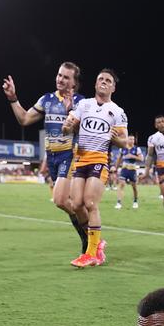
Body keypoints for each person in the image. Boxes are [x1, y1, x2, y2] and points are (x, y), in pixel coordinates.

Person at [2, 62, 89, 254]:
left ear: (74, 82)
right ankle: (91, 235)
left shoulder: (82, 103)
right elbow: (24, 119)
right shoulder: (47, 99)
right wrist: (12, 98)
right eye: (59, 75)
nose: (61, 79)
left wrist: (69, 111)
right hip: (52, 157)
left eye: (66, 77)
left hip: (70, 154)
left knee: (59, 200)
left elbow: (83, 131)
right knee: (72, 204)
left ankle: (88, 237)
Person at [62, 68, 128, 268]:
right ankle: (98, 244)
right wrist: (67, 125)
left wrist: (117, 139)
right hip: (81, 159)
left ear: (113, 87)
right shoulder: (84, 105)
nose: (104, 82)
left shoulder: (117, 112)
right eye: (101, 79)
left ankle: (91, 253)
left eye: (108, 80)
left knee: (90, 202)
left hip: (100, 159)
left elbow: (124, 142)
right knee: (75, 205)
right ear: (95, 84)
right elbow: (70, 125)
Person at [115, 135, 144, 209]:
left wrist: (133, 156)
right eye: (130, 139)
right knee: (121, 184)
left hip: (132, 170)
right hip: (124, 169)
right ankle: (119, 202)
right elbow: (119, 159)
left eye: (133, 139)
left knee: (134, 187)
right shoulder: (123, 148)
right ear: (127, 140)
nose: (132, 141)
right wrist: (116, 168)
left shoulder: (137, 149)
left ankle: (135, 201)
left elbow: (141, 159)